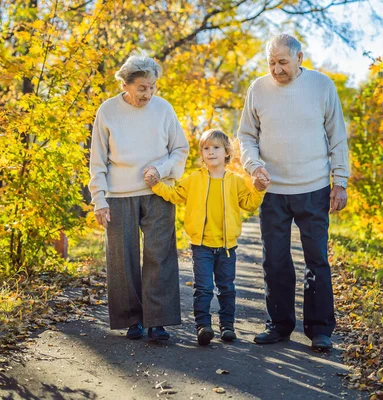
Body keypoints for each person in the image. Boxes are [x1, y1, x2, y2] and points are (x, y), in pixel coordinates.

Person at [237, 34, 350, 351]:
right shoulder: (258, 89)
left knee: (316, 261)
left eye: (282, 62)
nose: (276, 69)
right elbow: (246, 136)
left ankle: (320, 330)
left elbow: (337, 136)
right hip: (273, 191)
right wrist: (253, 165)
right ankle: (279, 325)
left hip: (314, 188)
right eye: (271, 62)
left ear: (300, 58)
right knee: (274, 260)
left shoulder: (322, 86)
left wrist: (339, 180)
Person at [89, 53, 189, 341]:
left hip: (158, 192)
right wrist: (99, 198)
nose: (149, 93)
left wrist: (161, 169)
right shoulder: (107, 111)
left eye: (153, 87)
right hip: (119, 195)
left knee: (159, 255)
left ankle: (158, 321)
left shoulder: (163, 109)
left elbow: (180, 149)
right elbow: (97, 160)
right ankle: (133, 320)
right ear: (126, 84)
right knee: (122, 259)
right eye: (142, 87)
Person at [147, 129, 267, 345]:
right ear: (201, 154)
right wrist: (156, 185)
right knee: (203, 288)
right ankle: (203, 326)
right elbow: (175, 195)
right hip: (201, 246)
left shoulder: (236, 181)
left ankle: (227, 326)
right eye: (206, 148)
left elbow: (249, 204)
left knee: (227, 288)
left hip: (227, 247)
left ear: (227, 152)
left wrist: (258, 190)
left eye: (216, 147)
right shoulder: (194, 179)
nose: (210, 152)